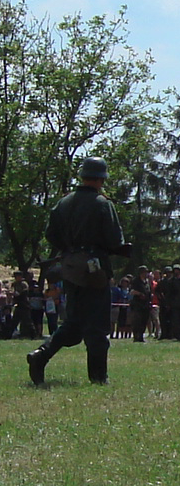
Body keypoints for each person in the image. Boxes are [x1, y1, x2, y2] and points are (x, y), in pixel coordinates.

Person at [26, 157, 127, 387]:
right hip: (94, 271)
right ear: (101, 178)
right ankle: (98, 377)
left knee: (74, 323)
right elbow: (114, 239)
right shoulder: (102, 204)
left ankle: (40, 355)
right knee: (98, 325)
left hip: (70, 268)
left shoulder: (63, 203)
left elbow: (50, 234)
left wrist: (70, 249)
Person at [128, 265, 154, 343]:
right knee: (137, 321)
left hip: (145, 304)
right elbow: (131, 291)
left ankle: (141, 336)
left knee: (144, 321)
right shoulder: (136, 281)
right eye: (145, 272)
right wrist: (139, 294)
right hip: (137, 304)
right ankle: (136, 337)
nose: (146, 274)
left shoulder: (146, 282)